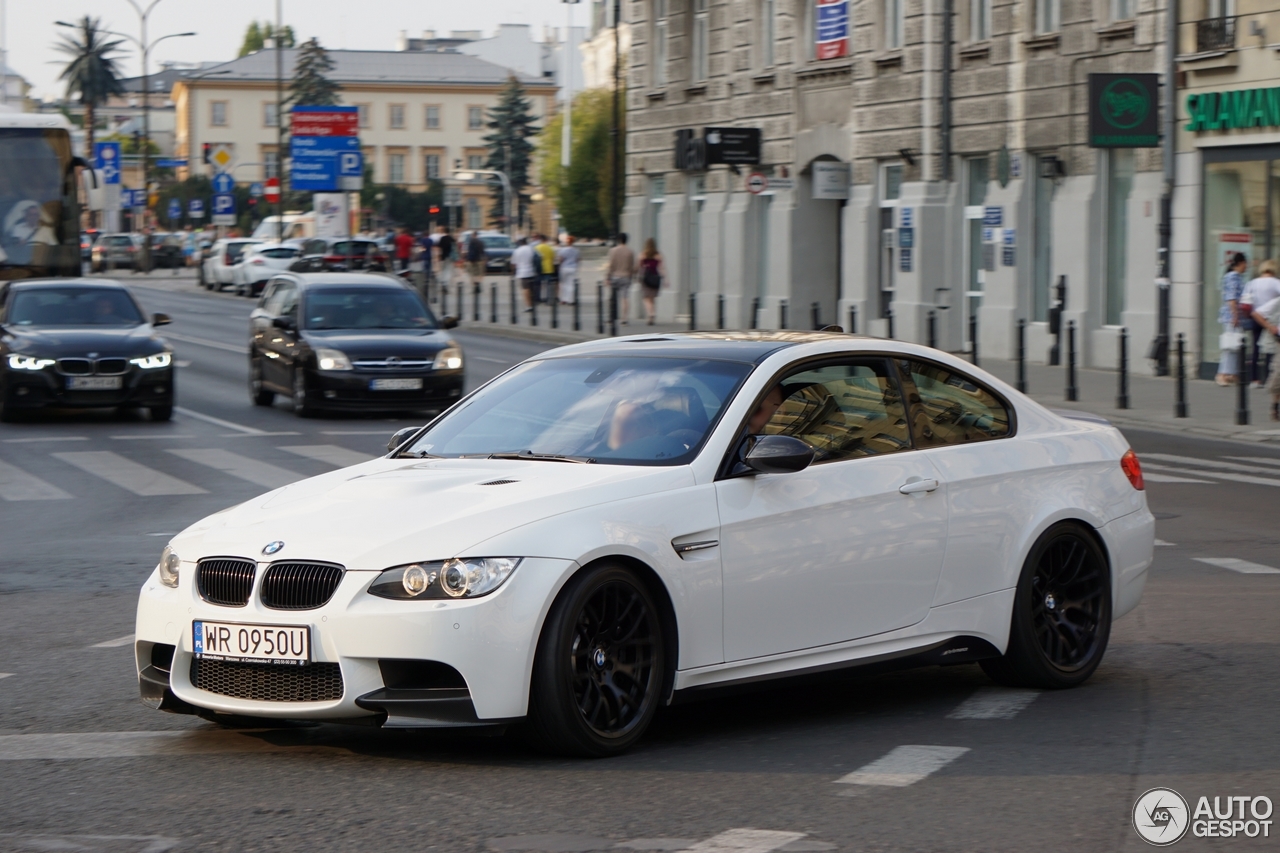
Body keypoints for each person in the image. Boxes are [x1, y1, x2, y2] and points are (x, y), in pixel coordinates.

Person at [1243, 259, 1280, 387]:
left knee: (1256, 349)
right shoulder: (1276, 283)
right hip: (1271, 319)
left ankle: (1254, 379)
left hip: (1255, 317)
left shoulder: (1252, 283)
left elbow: (1245, 301)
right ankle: (1269, 378)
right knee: (1270, 349)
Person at [1217, 252, 1248, 386]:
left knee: (1235, 346)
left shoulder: (1235, 277)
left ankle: (1233, 374)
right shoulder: (1233, 277)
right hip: (1232, 317)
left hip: (1234, 316)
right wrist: (1235, 316)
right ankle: (1222, 375)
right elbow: (1232, 299)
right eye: (1245, 264)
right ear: (1240, 263)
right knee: (1230, 347)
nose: (1246, 267)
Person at [1253, 294, 1280, 420]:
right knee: (1278, 377)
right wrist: (1270, 327)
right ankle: (1275, 406)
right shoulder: (1277, 302)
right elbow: (1257, 314)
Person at [606, 232, 637, 325]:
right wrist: (631, 275)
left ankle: (611, 317)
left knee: (612, 297)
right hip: (626, 276)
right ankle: (624, 318)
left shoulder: (613, 250)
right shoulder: (630, 252)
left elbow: (611, 265)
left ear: (619, 239)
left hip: (615, 275)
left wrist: (607, 276)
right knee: (625, 298)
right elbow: (632, 266)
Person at [638, 238, 665, 325]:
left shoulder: (643, 254)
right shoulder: (658, 255)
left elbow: (640, 267)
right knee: (652, 299)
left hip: (646, 278)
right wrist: (665, 278)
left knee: (646, 298)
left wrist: (638, 276)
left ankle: (651, 314)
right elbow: (662, 268)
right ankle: (652, 316)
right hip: (655, 278)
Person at [511, 237, 538, 311]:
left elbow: (514, 263)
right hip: (532, 271)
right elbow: (537, 258)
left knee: (525, 289)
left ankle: (528, 305)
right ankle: (532, 303)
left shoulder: (517, 251)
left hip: (522, 272)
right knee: (532, 288)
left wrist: (513, 272)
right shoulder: (531, 249)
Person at [556, 235, 580, 304]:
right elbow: (577, 260)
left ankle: (564, 299)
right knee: (571, 284)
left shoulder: (563, 250)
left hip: (564, 268)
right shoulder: (576, 250)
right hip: (573, 268)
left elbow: (561, 259)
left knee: (563, 284)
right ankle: (571, 299)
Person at [534, 233, 557, 304]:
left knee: (537, 285)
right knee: (549, 285)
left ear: (540, 240)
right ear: (546, 240)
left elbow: (534, 258)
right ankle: (549, 299)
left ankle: (537, 299)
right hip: (549, 268)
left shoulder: (536, 247)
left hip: (539, 268)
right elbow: (553, 258)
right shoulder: (550, 247)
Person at [435, 225, 456, 293]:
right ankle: (446, 284)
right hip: (450, 257)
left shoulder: (442, 238)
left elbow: (439, 248)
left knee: (443, 270)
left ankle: (443, 282)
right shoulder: (452, 239)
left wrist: (438, 256)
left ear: (444, 231)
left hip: (443, 256)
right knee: (448, 271)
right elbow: (455, 248)